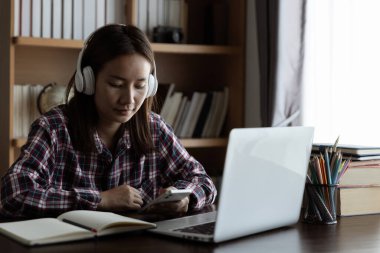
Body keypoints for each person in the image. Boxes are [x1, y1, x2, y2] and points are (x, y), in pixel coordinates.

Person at [0, 24, 217, 218]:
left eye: (140, 86)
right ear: (88, 81)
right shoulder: (54, 128)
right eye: (116, 84)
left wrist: (186, 198)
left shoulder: (155, 129)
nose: (129, 99)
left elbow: (203, 180)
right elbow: (13, 193)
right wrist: (100, 199)